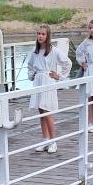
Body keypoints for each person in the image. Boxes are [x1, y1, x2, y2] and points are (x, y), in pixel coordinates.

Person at [27, 24, 72, 154]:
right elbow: (30, 66)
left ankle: (53, 141)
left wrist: (59, 76)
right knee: (41, 112)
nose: (40, 36)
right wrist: (32, 75)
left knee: (48, 112)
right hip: (38, 82)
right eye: (38, 34)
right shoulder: (34, 51)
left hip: (48, 81)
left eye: (43, 34)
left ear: (47, 36)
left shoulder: (53, 50)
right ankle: (45, 140)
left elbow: (67, 63)